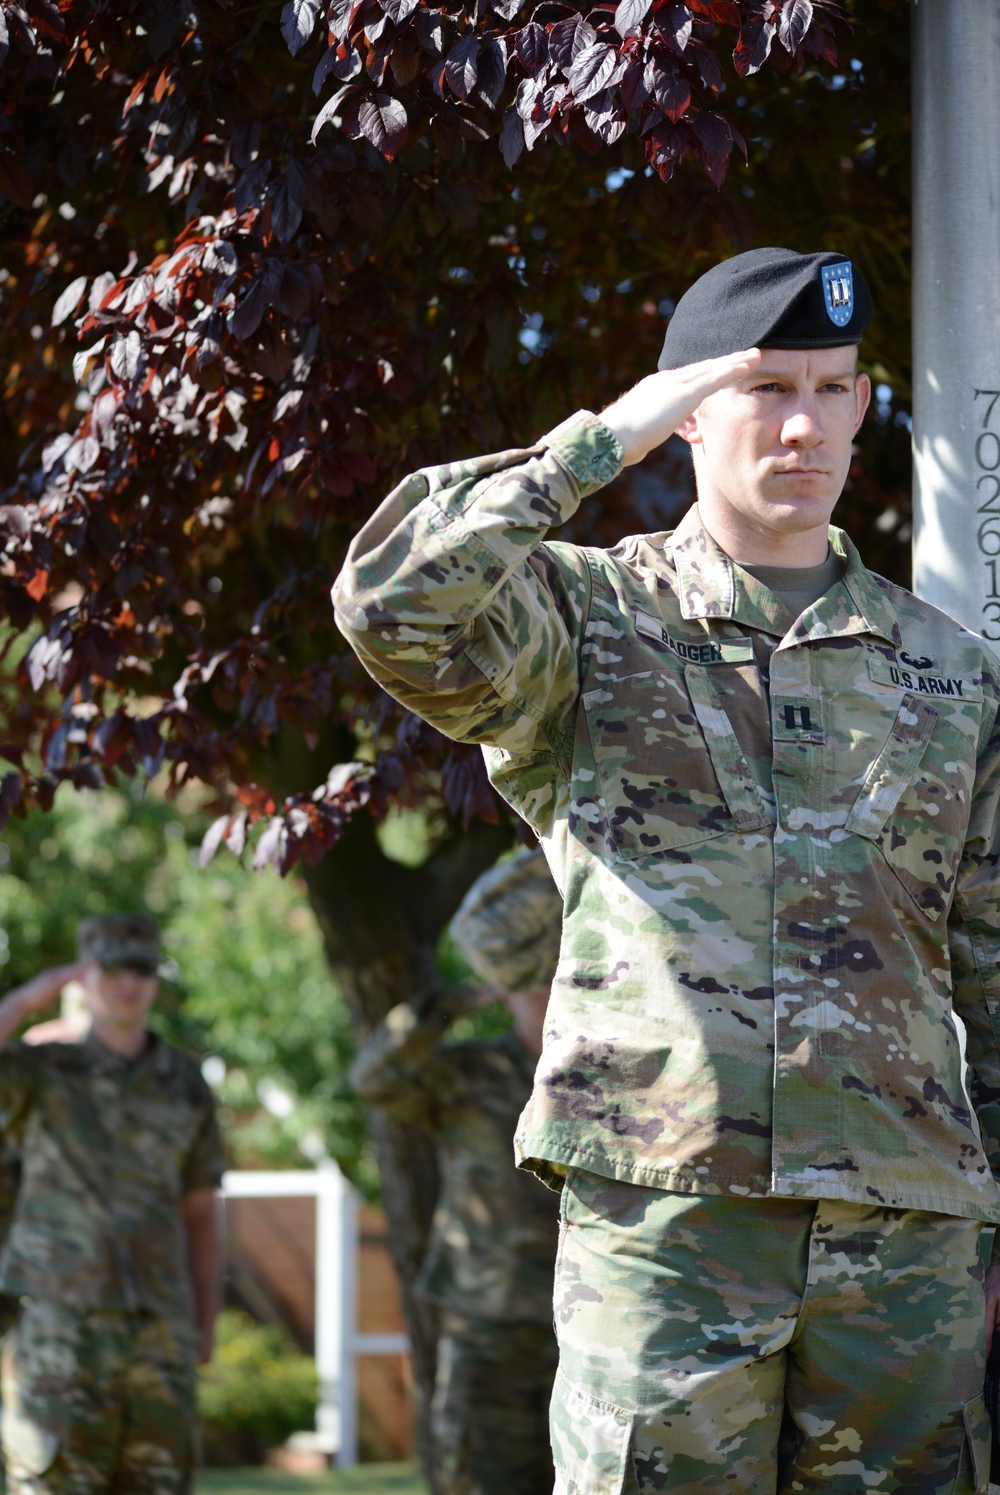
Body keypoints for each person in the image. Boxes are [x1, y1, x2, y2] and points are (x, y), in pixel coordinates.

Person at [333, 246, 1000, 1493]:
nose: (803, 424)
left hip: (905, 1243)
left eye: (831, 387)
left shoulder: (950, 672)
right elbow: (391, 603)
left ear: (864, 402)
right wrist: (598, 444)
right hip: (668, 1229)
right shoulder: (587, 622)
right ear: (693, 408)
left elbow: (994, 962)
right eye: (762, 390)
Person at [352, 848, 561, 1495]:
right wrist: (443, 1007)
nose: (538, 991)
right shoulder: (466, 1073)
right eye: (525, 978)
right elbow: (376, 1079)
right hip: (486, 1318)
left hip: (579, 1315)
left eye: (548, 975)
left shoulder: (598, 1079)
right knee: (476, 1476)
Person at [0, 913, 224, 1495]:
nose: (129, 982)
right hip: (60, 1325)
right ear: (85, 974)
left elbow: (200, 1209)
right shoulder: (40, 1071)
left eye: (143, 968)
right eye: (113, 967)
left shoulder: (186, 1084)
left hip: (160, 1330)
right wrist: (27, 998)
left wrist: (204, 1316)